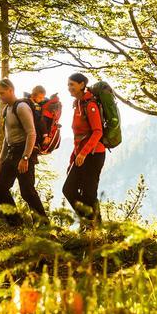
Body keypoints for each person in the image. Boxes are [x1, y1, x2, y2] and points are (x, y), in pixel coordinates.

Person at [0, 78, 47, 224]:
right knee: (0, 188)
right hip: (12, 153)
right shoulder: (6, 110)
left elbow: (32, 133)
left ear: (11, 90)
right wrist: (1, 159)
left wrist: (25, 158)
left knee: (27, 192)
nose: (0, 97)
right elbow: (7, 137)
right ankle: (15, 222)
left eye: (2, 93)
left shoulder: (22, 107)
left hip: (24, 152)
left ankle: (43, 224)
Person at [62, 72, 105, 227]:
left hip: (94, 155)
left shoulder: (90, 105)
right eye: (68, 85)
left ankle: (95, 229)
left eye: (72, 84)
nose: (69, 88)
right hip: (81, 155)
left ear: (82, 85)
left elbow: (98, 132)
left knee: (89, 193)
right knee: (68, 189)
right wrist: (73, 160)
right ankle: (90, 222)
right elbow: (78, 137)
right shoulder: (78, 105)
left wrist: (84, 153)